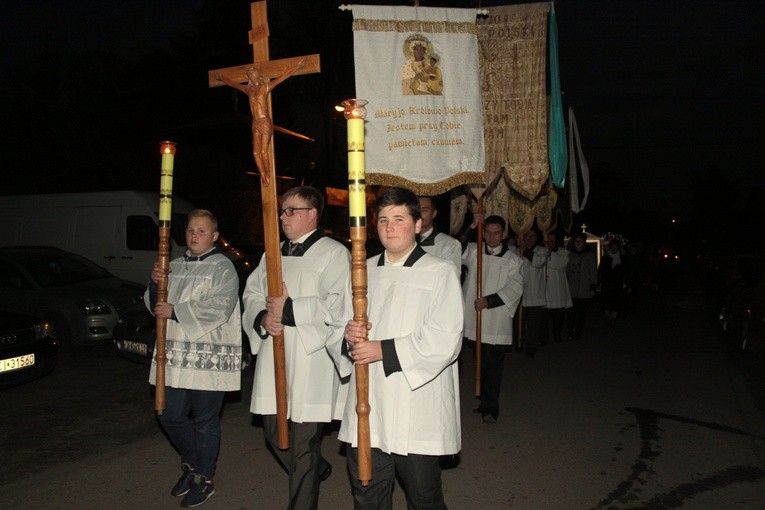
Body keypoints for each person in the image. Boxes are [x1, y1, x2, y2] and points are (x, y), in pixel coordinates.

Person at [338, 187, 463, 509]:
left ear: (418, 224)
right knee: (368, 493)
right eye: (382, 220)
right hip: (370, 400)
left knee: (423, 496)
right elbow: (336, 323)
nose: (389, 227)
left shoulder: (439, 272)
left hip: (416, 402)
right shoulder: (361, 270)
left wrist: (383, 350)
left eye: (398, 219)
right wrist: (347, 335)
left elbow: (445, 338)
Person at [242, 186, 350, 510]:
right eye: (282, 210)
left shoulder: (333, 253)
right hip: (275, 356)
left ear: (312, 214)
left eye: (292, 210)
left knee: (303, 444)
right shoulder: (271, 254)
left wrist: (290, 310)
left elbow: (339, 305)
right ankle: (316, 468)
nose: (283, 217)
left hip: (311, 359)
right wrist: (262, 318)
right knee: (275, 434)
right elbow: (251, 294)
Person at [146, 209, 242, 508]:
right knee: (169, 415)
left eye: (201, 231)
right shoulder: (171, 265)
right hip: (173, 356)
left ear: (214, 236)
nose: (194, 235)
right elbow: (153, 305)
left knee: (204, 421)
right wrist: (154, 283)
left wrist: (174, 310)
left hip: (207, 358)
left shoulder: (223, 267)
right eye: (190, 230)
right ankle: (194, 464)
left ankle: (205, 478)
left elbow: (220, 307)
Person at [462, 214, 523, 423]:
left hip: (496, 319)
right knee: (482, 362)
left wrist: (489, 301)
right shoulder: (474, 252)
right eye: (487, 232)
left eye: (496, 233)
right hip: (477, 319)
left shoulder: (513, 260)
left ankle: (491, 407)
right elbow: (454, 250)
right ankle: (485, 400)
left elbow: (515, 287)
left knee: (494, 364)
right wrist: (471, 226)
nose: (491, 237)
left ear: (504, 234)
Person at [216, 60, 305, 186]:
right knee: (255, 152)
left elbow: (282, 77)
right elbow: (234, 84)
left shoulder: (265, 87)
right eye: (249, 75)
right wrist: (222, 78)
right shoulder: (248, 89)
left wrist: (296, 66)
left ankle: (267, 175)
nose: (251, 76)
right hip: (255, 122)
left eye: (253, 74)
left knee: (263, 151)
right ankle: (263, 174)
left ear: (257, 75)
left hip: (264, 121)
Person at [520, 229, 549, 357]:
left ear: (536, 238)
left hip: (534, 294)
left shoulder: (542, 251)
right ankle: (519, 343)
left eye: (532, 236)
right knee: (518, 322)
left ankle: (531, 347)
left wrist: (525, 250)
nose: (529, 238)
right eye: (527, 235)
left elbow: (538, 262)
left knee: (533, 323)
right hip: (519, 292)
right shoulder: (517, 250)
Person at [417, 195, 462, 278]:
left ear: (434, 214)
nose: (420, 214)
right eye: (417, 210)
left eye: (424, 210)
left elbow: (451, 278)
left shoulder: (449, 244)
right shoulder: (403, 241)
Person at [566, 232, 598, 340]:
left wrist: (593, 288)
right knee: (571, 313)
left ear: (584, 243)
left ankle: (578, 331)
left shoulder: (589, 255)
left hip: (583, 289)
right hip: (572, 289)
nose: (578, 243)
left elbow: (593, 272)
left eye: (580, 241)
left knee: (581, 313)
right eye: (576, 241)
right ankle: (570, 331)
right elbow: (566, 270)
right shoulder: (569, 254)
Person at [542, 232, 572, 344]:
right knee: (543, 320)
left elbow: (561, 264)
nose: (550, 243)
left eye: (552, 240)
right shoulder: (540, 251)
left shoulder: (562, 253)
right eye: (548, 240)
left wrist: (547, 253)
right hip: (545, 292)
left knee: (558, 320)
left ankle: (557, 336)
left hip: (558, 293)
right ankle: (544, 339)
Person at [598, 239, 625, 327]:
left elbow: (625, 271)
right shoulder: (605, 258)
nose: (614, 248)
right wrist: (600, 281)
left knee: (616, 301)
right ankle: (607, 317)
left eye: (616, 247)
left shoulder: (622, 258)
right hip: (607, 284)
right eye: (613, 247)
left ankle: (613, 318)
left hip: (617, 284)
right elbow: (601, 270)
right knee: (606, 301)